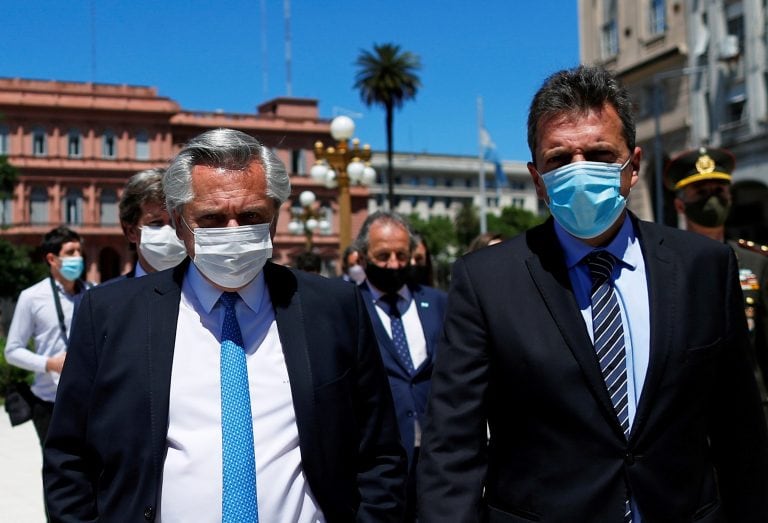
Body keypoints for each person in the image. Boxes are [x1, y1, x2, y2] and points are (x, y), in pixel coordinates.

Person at [418, 65, 768, 522]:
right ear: (537, 178)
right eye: (560, 160)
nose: (580, 172)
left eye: (601, 154)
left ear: (633, 166)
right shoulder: (486, 281)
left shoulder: (703, 267)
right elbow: (452, 445)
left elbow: (738, 429)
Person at [43, 129, 407, 522]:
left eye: (251, 216)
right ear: (181, 222)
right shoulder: (111, 313)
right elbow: (69, 457)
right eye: (212, 218)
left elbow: (380, 453)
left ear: (275, 217)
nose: (233, 232)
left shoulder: (333, 308)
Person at [355, 211, 447, 522]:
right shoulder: (347, 307)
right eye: (383, 256)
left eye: (401, 255)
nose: (394, 264)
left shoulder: (438, 303)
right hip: (380, 464)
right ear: (363, 256)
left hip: (436, 460)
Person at [666, 146, 768, 415]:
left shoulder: (756, 262)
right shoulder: (663, 265)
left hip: (750, 410)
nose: (712, 199)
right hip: (688, 416)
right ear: (680, 205)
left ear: (730, 197)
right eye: (700, 193)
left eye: (719, 191)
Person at [5, 226, 90, 445]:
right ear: (52, 259)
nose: (78, 258)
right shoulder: (31, 297)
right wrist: (49, 364)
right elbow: (12, 351)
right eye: (70, 252)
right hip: (49, 402)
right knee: (57, 472)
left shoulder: (93, 292)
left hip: (88, 399)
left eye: (80, 252)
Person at [115, 168, 188, 278]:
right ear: (131, 231)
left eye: (175, 222)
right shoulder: (104, 295)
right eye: (156, 223)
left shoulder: (210, 293)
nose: (169, 232)